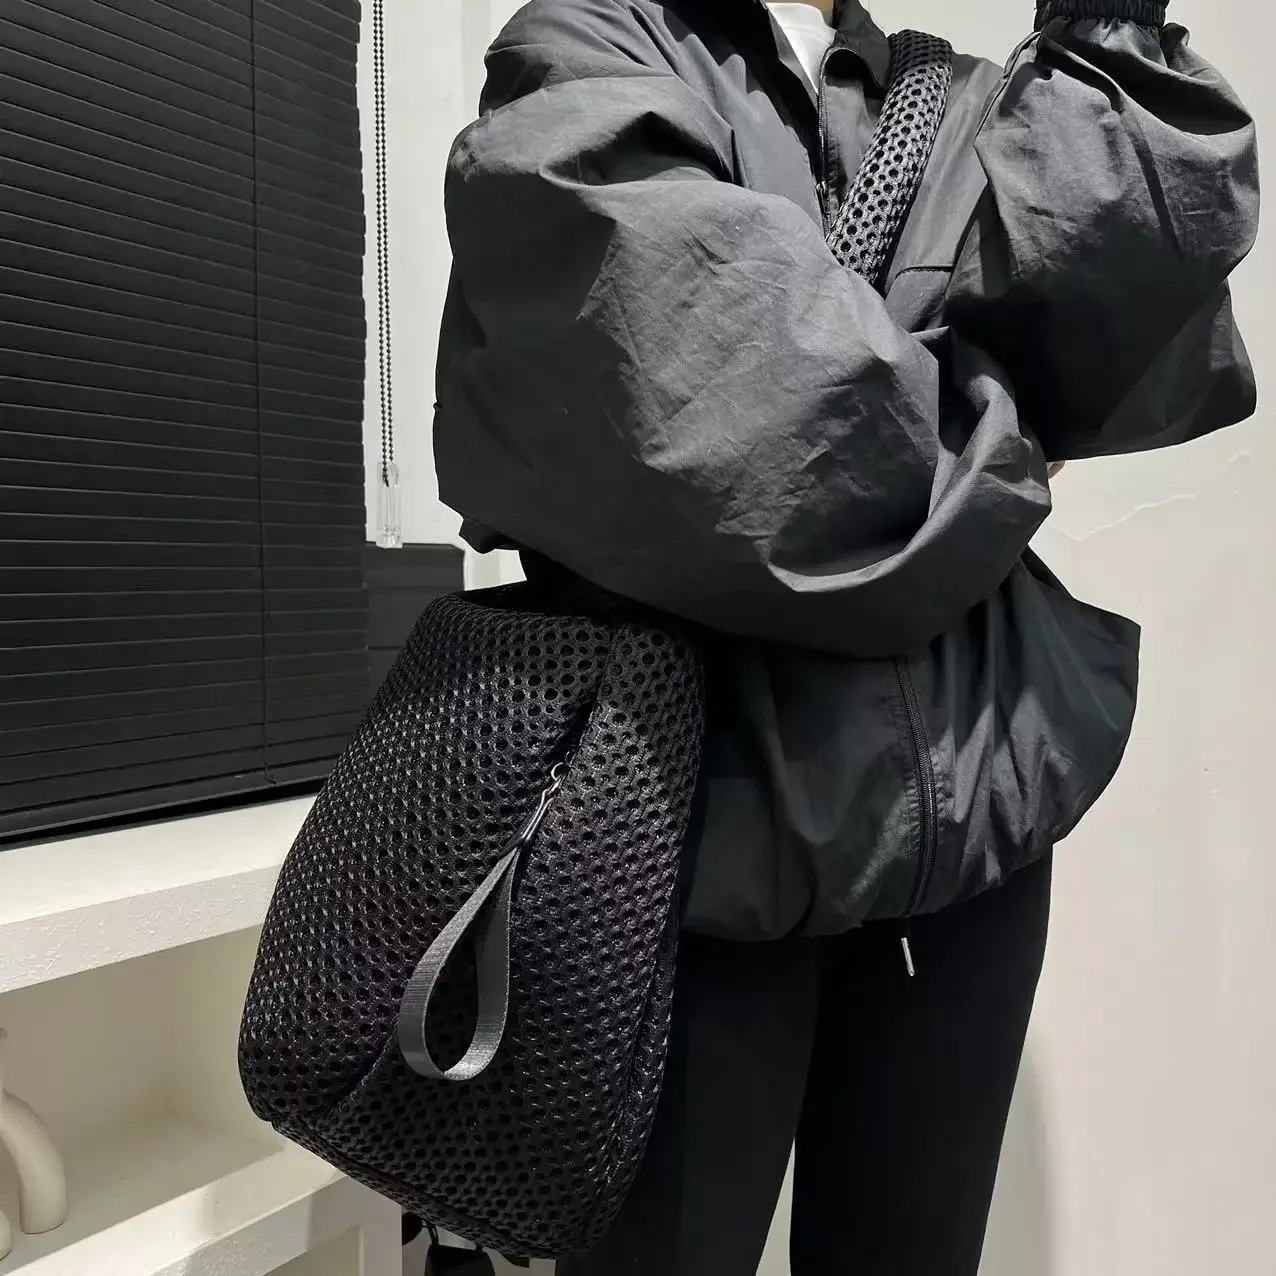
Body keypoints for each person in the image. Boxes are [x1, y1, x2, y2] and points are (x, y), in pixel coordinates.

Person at [433, 1, 1257, 1272]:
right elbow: (731, 429)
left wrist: (1106, 28)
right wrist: (1002, 429)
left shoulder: (970, 94)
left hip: (966, 828)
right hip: (677, 843)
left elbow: (1124, 321)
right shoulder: (591, 47)